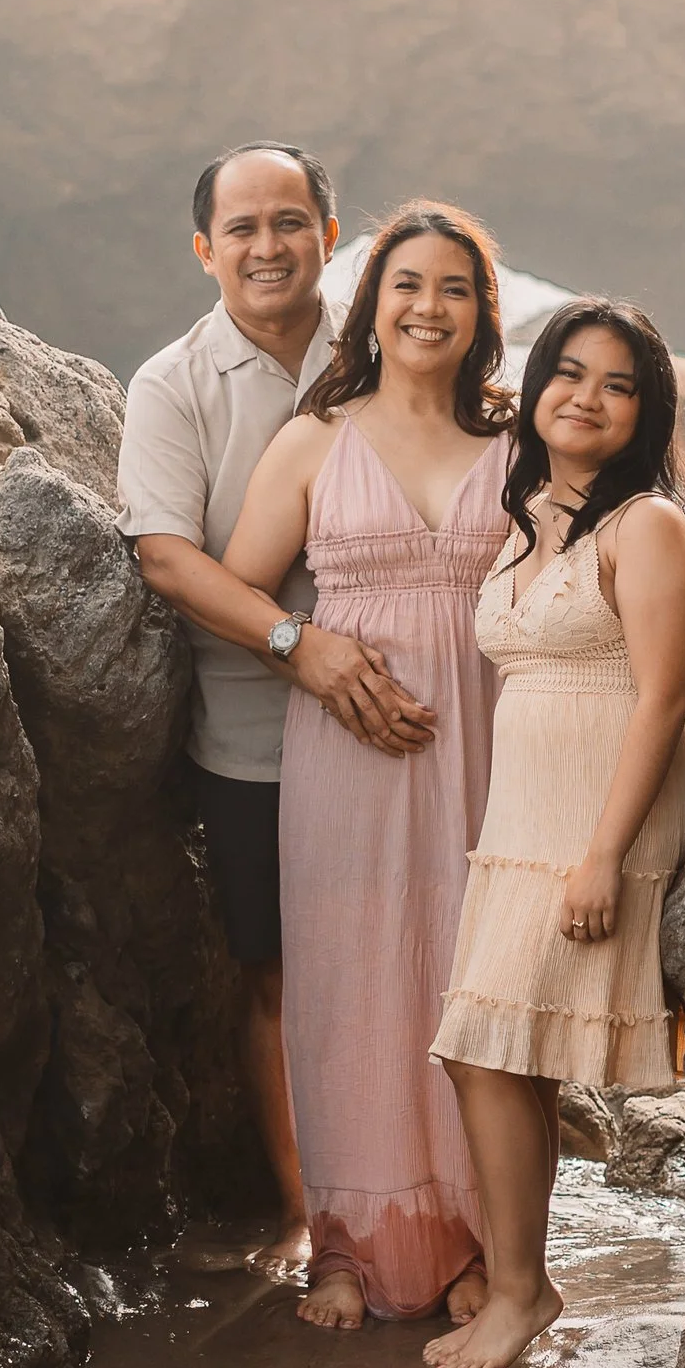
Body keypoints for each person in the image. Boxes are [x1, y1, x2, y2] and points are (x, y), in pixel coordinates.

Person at [118, 143, 434, 1278]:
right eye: (242, 229)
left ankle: (434, 1200)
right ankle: (316, 1220)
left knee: (418, 952)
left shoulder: (390, 347)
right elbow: (165, 557)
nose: (268, 247)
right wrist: (300, 647)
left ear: (329, 237)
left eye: (290, 222)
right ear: (205, 250)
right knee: (278, 972)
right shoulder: (172, 385)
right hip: (255, 724)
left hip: (408, 712)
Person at [221, 203, 512, 1328]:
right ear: (372, 304)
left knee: (473, 979)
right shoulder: (315, 441)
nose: (429, 307)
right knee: (351, 980)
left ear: (481, 314)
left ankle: (480, 1245)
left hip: (489, 748)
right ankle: (348, 1245)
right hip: (347, 751)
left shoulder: (517, 445)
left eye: (454, 288)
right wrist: (309, 648)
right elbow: (239, 585)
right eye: (408, 284)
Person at [427, 301, 685, 1368]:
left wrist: (602, 856)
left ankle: (518, 1292)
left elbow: (664, 697)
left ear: (645, 413)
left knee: (483, 1050)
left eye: (617, 384)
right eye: (569, 373)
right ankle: (521, 1282)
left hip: (597, 821)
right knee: (506, 1055)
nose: (586, 397)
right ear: (536, 386)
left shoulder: (648, 525)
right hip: (522, 820)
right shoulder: (531, 515)